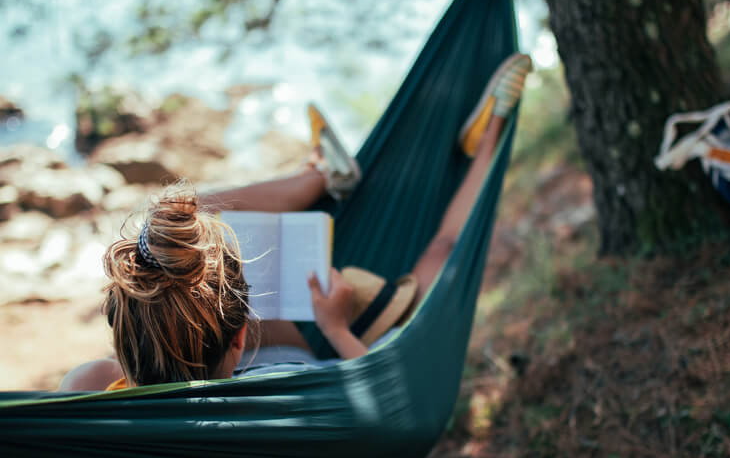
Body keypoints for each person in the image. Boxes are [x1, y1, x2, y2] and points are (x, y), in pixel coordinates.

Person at [59, 53, 533, 391]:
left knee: (185, 216)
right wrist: (336, 328)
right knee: (442, 249)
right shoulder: (290, 392)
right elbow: (389, 394)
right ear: (242, 337)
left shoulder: (94, 387)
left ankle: (322, 176)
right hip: (327, 339)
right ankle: (485, 139)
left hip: (194, 354)